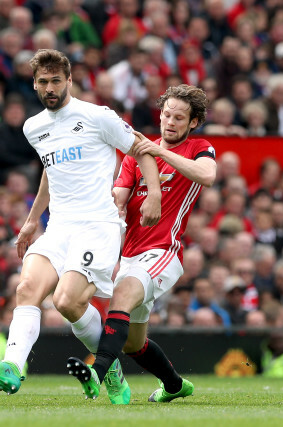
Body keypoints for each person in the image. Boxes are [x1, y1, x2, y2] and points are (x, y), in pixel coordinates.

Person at [0, 49, 162, 403]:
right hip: (58, 226)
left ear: (69, 80)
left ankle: (111, 370)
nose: (50, 87)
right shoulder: (34, 127)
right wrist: (29, 222)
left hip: (97, 225)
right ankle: (12, 367)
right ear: (35, 84)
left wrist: (154, 195)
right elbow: (50, 171)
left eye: (57, 81)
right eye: (43, 82)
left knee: (67, 302)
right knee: (26, 290)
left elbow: (141, 148)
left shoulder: (97, 116)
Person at [65, 84, 216, 403]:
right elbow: (119, 194)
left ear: (193, 123)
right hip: (131, 256)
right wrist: (113, 203)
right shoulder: (136, 158)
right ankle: (175, 385)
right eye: (166, 114)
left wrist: (159, 151)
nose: (170, 122)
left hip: (164, 252)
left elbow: (207, 176)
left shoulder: (199, 147)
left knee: (120, 297)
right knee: (134, 344)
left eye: (179, 117)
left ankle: (98, 372)